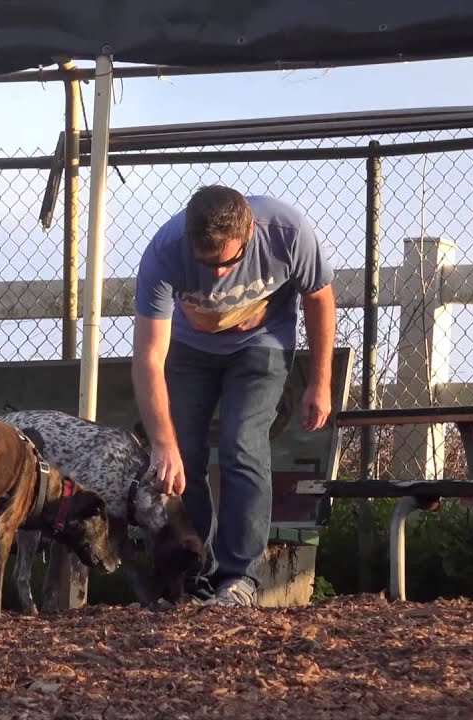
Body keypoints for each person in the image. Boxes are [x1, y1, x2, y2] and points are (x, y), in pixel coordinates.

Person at [131, 184, 336, 607]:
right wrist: (162, 444)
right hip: (189, 352)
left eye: (230, 262)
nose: (219, 275)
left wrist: (320, 381)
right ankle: (194, 571)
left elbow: (319, 299)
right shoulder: (164, 253)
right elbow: (149, 358)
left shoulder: (286, 231)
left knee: (241, 444)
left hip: (261, 344)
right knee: (180, 455)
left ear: (249, 234)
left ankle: (238, 578)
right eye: (208, 265)